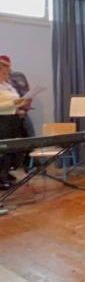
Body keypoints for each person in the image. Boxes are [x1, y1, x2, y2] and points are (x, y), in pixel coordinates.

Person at [0, 55, 31, 189]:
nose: (6, 74)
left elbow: (14, 102)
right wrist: (14, 103)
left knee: (12, 150)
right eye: (3, 72)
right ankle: (1, 178)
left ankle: (5, 173)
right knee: (3, 150)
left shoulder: (8, 86)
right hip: (2, 121)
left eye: (7, 72)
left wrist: (22, 104)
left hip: (13, 119)